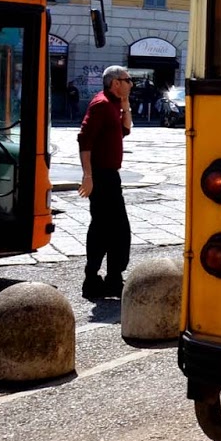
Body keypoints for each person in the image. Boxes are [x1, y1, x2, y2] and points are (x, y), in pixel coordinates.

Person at [78, 65, 134, 300]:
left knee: (113, 230)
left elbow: (126, 129)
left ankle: (110, 279)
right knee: (108, 229)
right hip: (101, 176)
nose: (131, 83)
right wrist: (88, 176)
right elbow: (84, 140)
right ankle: (94, 278)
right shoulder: (101, 104)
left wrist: (125, 105)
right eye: (127, 79)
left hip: (111, 175)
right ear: (115, 83)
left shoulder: (113, 104)